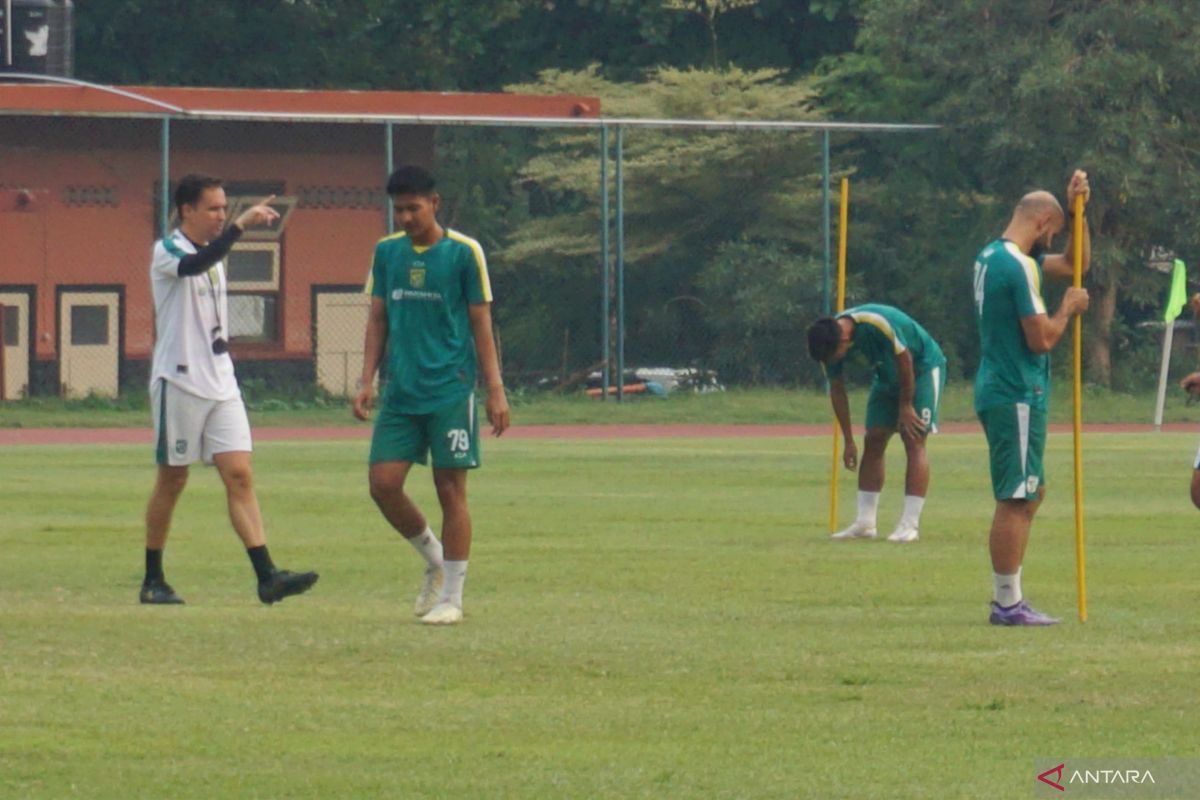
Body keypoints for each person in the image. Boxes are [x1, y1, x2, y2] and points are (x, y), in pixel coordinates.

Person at [140, 174, 319, 606]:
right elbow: (193, 267)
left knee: (239, 474)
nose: (222, 215)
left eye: (225, 208)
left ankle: (267, 576)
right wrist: (242, 225)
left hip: (221, 379)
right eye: (215, 208)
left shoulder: (217, 255)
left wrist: (234, 230)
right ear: (187, 211)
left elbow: (211, 264)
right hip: (179, 380)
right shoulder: (167, 251)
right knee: (173, 478)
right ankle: (153, 579)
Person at [353, 165, 510, 626]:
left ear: (435, 203)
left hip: (449, 390)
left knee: (450, 488)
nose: (405, 217)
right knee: (383, 485)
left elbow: (481, 323)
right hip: (401, 391)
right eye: (398, 209)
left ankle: (453, 597)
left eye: (413, 208)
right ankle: (435, 559)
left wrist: (495, 391)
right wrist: (367, 380)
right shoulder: (387, 253)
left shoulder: (464, 253)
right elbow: (378, 318)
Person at [973, 169, 1091, 626]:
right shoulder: (1018, 266)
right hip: (1016, 391)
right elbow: (1041, 338)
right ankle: (1007, 604)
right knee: (1016, 498)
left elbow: (1077, 264)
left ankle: (1010, 597)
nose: (1054, 243)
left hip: (1000, 386)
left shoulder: (992, 256)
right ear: (1042, 222)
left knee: (1031, 491)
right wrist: (1067, 308)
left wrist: (1078, 210)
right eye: (1055, 231)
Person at [807, 304, 946, 543]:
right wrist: (848, 440)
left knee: (913, 438)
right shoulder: (827, 343)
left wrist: (905, 406)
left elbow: (905, 359)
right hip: (886, 377)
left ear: (843, 341)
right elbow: (838, 391)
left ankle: (909, 525)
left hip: (921, 368)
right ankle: (865, 523)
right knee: (873, 439)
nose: (831, 362)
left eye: (832, 357)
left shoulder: (875, 324)